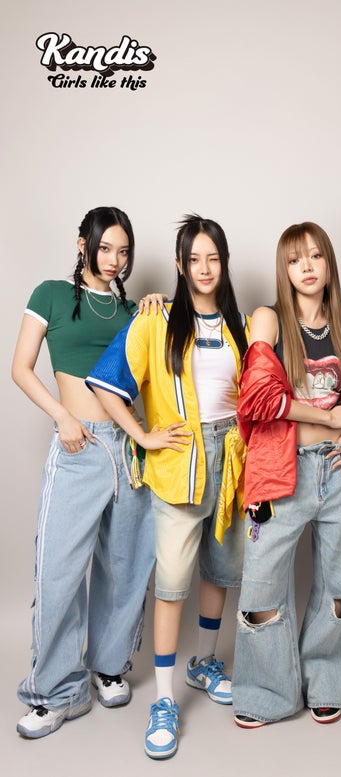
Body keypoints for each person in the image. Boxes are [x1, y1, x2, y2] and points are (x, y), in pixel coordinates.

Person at [86, 215, 250, 760]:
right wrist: (143, 436)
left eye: (213, 258)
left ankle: (204, 662)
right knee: (173, 584)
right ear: (180, 264)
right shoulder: (155, 320)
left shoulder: (241, 324)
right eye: (194, 259)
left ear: (224, 263)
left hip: (230, 463)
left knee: (221, 569)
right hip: (179, 464)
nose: (204, 269)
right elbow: (107, 382)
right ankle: (163, 700)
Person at [12, 206, 155, 739]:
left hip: (128, 448)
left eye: (124, 251)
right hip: (78, 446)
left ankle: (108, 666)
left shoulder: (132, 311)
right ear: (83, 244)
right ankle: (56, 691)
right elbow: (21, 367)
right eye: (105, 248)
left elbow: (155, 373)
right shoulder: (50, 294)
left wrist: (156, 308)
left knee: (126, 565)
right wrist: (62, 416)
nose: (115, 260)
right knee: (59, 572)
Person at [231, 221, 341, 728]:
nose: (306, 267)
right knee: (262, 588)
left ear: (329, 262)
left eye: (315, 256)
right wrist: (328, 419)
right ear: (284, 269)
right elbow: (258, 398)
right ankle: (266, 693)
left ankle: (328, 683)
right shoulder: (268, 319)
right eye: (295, 260)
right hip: (280, 470)